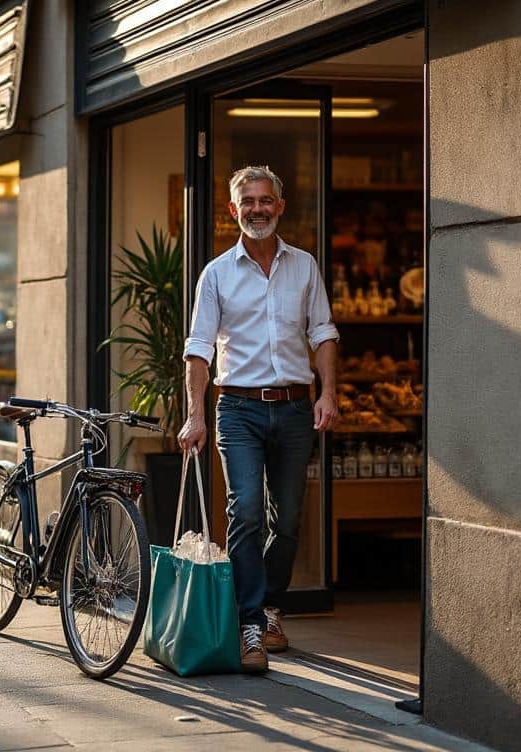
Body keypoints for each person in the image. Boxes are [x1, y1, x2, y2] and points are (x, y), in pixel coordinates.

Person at [177, 166, 340, 674]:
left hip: (295, 407)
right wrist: (194, 417)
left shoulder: (304, 266)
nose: (257, 209)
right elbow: (199, 349)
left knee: (285, 518)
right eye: (247, 202)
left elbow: (324, 333)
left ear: (280, 205)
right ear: (233, 210)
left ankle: (270, 606)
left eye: (265, 200)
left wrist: (328, 393)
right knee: (245, 510)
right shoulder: (217, 274)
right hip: (239, 408)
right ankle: (250, 623)